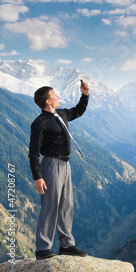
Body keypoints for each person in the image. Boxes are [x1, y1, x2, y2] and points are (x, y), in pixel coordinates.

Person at [28, 81, 90, 260]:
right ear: (47, 101)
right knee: (50, 206)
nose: (57, 96)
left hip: (65, 164)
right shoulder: (39, 123)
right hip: (51, 165)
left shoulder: (61, 114)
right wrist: (37, 177)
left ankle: (67, 245)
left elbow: (78, 111)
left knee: (66, 205)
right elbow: (33, 152)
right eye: (54, 94)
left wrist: (84, 95)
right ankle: (42, 248)